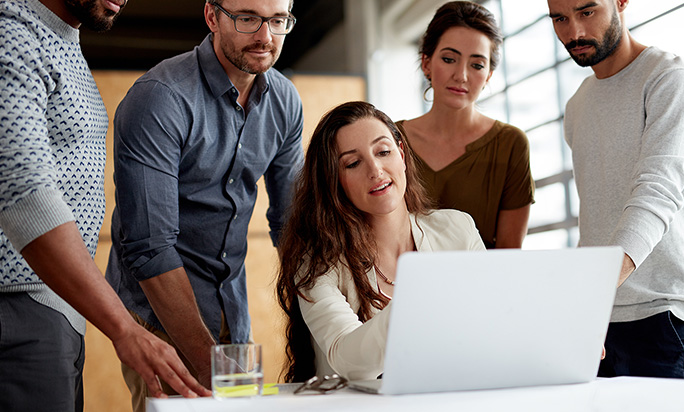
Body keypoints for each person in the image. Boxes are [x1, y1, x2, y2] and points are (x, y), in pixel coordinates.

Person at [0, 0, 210, 410]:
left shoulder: (62, 37)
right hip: (18, 308)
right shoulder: (13, 31)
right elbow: (25, 196)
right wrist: (124, 329)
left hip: (55, 308)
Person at [105, 0, 304, 409]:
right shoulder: (160, 98)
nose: (266, 37)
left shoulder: (284, 100)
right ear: (212, 17)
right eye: (248, 18)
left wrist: (328, 325)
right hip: (159, 317)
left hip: (233, 312)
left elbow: (293, 225)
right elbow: (149, 248)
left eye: (278, 21)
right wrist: (206, 366)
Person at [547, 0, 684, 379]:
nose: (573, 32)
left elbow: (657, 191)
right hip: (601, 316)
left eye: (586, 11)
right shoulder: (577, 105)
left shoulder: (669, 78)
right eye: (559, 18)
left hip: (665, 312)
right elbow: (594, 217)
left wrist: (592, 290)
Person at [276, 101, 485, 383]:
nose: (375, 170)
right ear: (334, 181)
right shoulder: (317, 262)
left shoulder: (457, 230)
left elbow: (486, 331)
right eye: (353, 163)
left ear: (401, 154)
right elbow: (347, 360)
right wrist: (421, 301)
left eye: (383, 152)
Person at [397, 1, 534, 249]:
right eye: (449, 59)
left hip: (482, 284)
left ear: (489, 75)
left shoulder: (510, 144)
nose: (461, 75)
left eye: (477, 65)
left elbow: (508, 254)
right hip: (399, 285)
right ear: (426, 63)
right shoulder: (389, 139)